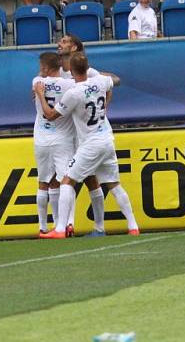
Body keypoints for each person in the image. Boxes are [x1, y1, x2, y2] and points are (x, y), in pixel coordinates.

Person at [36, 52, 140, 238]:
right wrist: (106, 102)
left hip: (90, 143)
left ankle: (60, 228)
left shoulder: (74, 93)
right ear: (87, 68)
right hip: (107, 139)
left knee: (67, 181)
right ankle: (133, 226)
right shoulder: (100, 81)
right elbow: (115, 80)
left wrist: (41, 95)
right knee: (114, 184)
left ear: (72, 71)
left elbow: (51, 115)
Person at [32, 52, 76, 235]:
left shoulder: (36, 82)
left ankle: (43, 227)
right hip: (62, 139)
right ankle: (64, 223)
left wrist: (40, 93)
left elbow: (40, 81)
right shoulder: (70, 85)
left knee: (43, 182)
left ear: (45, 68)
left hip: (41, 139)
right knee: (63, 181)